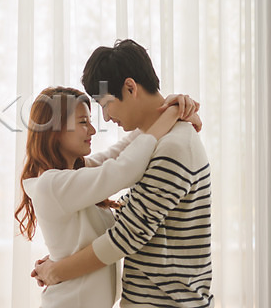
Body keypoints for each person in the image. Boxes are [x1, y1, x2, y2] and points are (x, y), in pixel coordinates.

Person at [32, 40, 213, 307]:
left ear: (130, 88)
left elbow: (127, 236)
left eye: (105, 104)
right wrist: (62, 257)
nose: (105, 118)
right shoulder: (159, 141)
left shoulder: (173, 147)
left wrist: (58, 271)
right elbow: (112, 174)